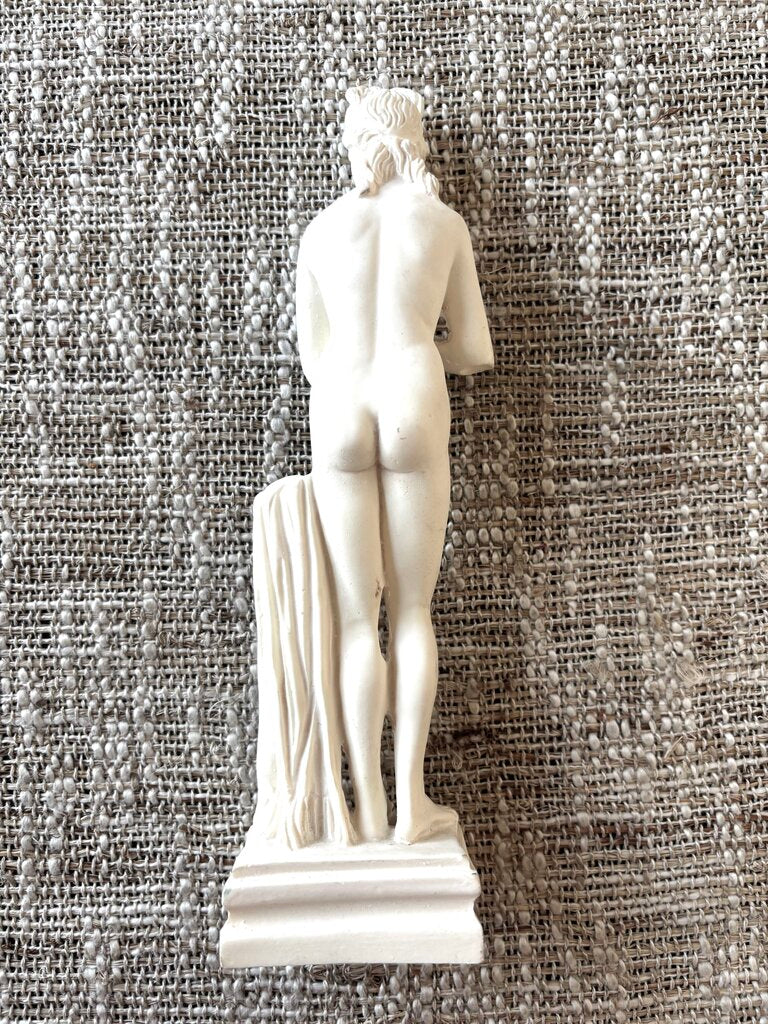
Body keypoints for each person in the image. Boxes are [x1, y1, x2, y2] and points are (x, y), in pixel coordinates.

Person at [295, 86, 493, 844]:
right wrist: (420, 349)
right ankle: (412, 806)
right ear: (415, 143)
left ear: (356, 145)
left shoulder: (320, 231)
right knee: (412, 610)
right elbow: (472, 348)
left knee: (356, 619)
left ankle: (367, 810)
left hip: (340, 402)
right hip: (414, 394)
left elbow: (313, 357)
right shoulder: (443, 225)